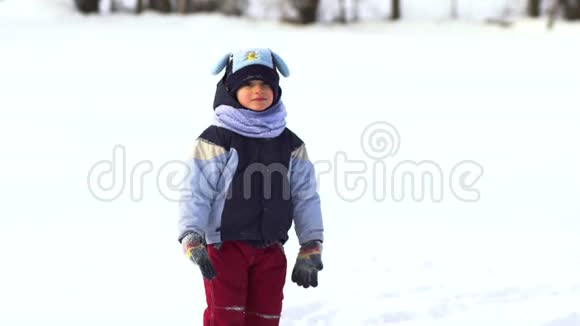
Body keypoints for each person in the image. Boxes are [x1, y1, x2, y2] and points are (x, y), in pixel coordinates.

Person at [178, 48, 324, 326]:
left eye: (265, 83)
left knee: (266, 318)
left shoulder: (291, 145)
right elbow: (196, 190)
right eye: (247, 84)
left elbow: (305, 196)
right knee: (226, 318)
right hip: (225, 248)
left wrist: (310, 243)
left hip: (271, 250)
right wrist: (191, 235)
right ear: (230, 90)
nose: (258, 90)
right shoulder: (216, 140)